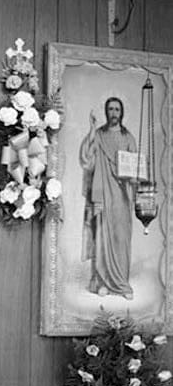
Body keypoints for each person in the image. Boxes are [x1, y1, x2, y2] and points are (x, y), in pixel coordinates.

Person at [79, 96, 137, 299]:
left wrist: (132, 178)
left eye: (117, 110)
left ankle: (122, 283)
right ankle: (102, 281)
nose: (113, 113)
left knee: (121, 238)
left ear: (122, 113)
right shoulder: (99, 135)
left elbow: (136, 168)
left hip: (122, 195)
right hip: (103, 194)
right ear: (106, 112)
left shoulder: (128, 138)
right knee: (103, 237)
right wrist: (91, 129)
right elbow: (86, 158)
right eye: (110, 109)